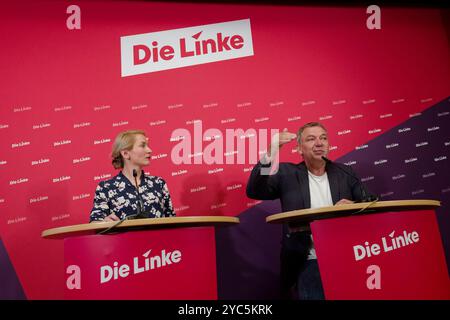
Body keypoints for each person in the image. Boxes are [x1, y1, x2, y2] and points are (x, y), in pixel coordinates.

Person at [246, 122, 375, 300]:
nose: (319, 143)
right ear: (299, 148)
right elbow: (255, 190)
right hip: (307, 259)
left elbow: (370, 204)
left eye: (323, 138)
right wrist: (272, 151)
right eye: (311, 139)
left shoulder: (345, 172)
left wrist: (353, 205)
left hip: (347, 255)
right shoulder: (287, 173)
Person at [90, 129, 175, 222]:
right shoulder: (106, 187)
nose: (149, 150)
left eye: (147, 145)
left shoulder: (158, 183)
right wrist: (104, 222)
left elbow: (171, 220)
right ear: (126, 154)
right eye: (143, 145)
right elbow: (95, 222)